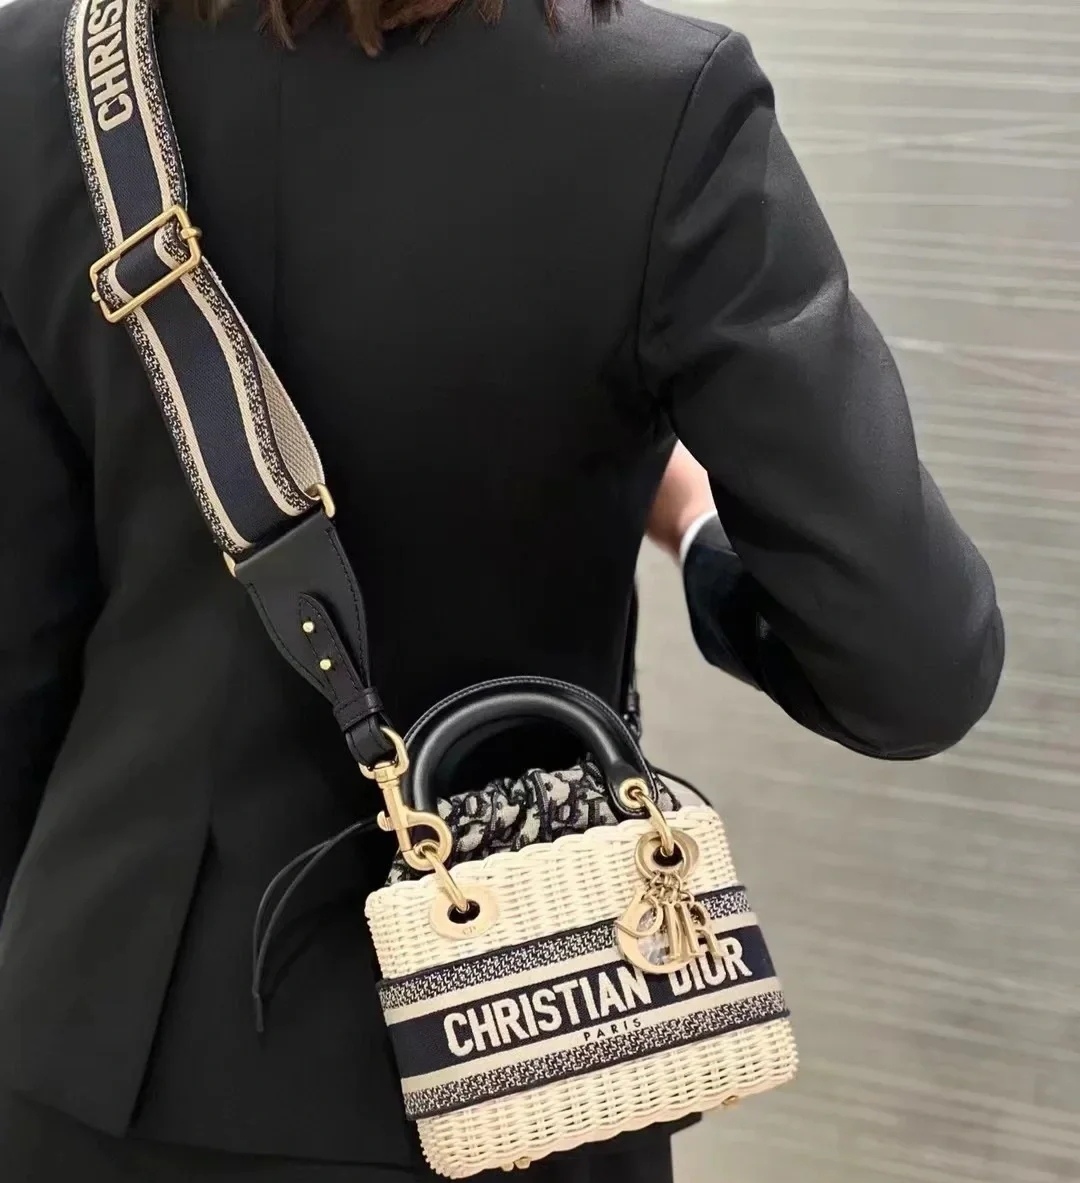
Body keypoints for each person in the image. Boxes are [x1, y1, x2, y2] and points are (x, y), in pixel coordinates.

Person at [0, 0, 1004, 1177]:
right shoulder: (662, 105)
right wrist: (696, 526)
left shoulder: (45, 76)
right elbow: (912, 668)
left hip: (98, 1055)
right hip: (530, 1049)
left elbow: (19, 648)